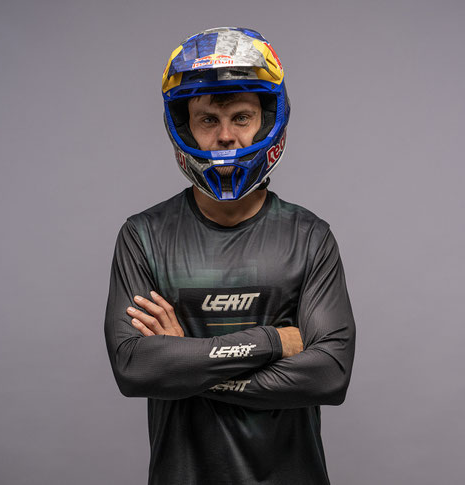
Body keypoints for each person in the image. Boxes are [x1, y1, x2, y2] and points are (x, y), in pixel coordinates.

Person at [104, 27, 356, 484]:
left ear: (267, 120)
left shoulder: (309, 236)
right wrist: (272, 342)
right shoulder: (144, 236)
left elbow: (329, 375)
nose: (225, 137)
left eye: (241, 117)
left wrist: (185, 362)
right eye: (208, 120)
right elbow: (134, 369)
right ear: (185, 127)